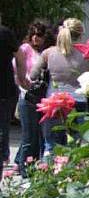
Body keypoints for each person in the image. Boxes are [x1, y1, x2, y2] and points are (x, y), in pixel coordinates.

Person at [30, 18, 89, 155]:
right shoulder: (86, 55)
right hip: (78, 102)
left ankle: (48, 172)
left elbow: (33, 75)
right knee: (75, 146)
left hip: (54, 102)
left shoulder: (49, 52)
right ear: (80, 34)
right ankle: (73, 175)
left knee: (51, 145)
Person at [13, 21, 51, 176]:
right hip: (26, 93)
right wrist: (23, 88)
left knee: (36, 133)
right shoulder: (24, 49)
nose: (36, 38)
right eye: (33, 34)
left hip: (40, 95)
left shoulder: (45, 52)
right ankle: (23, 167)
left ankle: (24, 162)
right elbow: (17, 72)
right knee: (29, 133)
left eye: (40, 35)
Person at [0, 16, 19, 176]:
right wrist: (20, 76)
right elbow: (18, 55)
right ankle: (4, 156)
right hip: (5, 88)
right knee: (3, 126)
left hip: (6, 89)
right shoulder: (5, 33)